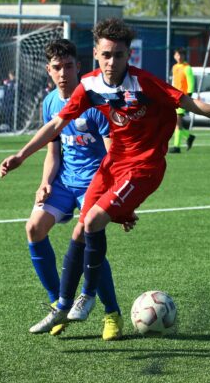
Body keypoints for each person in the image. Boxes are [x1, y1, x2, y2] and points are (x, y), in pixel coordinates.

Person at [0, 18, 210, 334]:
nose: (112, 62)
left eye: (119, 55)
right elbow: (55, 126)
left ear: (129, 56)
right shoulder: (88, 85)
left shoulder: (145, 84)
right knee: (80, 231)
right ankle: (62, 306)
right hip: (112, 165)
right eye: (106, 55)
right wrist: (21, 155)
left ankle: (88, 296)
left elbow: (192, 103)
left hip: (143, 168)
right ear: (97, 55)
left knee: (93, 221)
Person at [25, 38, 128, 341]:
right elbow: (53, 152)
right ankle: (59, 304)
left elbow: (114, 154)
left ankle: (112, 313)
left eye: (68, 66)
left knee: (87, 239)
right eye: (57, 67)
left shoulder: (95, 102)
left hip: (93, 184)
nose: (63, 73)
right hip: (63, 182)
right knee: (34, 228)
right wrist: (45, 182)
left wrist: (116, 196)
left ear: (78, 67)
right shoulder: (49, 104)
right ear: (49, 70)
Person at [169, 47, 196, 153]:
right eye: (177, 55)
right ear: (174, 56)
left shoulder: (187, 67)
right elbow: (174, 82)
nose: (179, 57)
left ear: (184, 56)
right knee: (176, 123)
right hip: (174, 97)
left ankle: (177, 147)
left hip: (183, 98)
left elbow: (191, 82)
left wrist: (188, 96)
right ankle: (189, 137)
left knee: (177, 121)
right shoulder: (175, 67)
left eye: (181, 55)